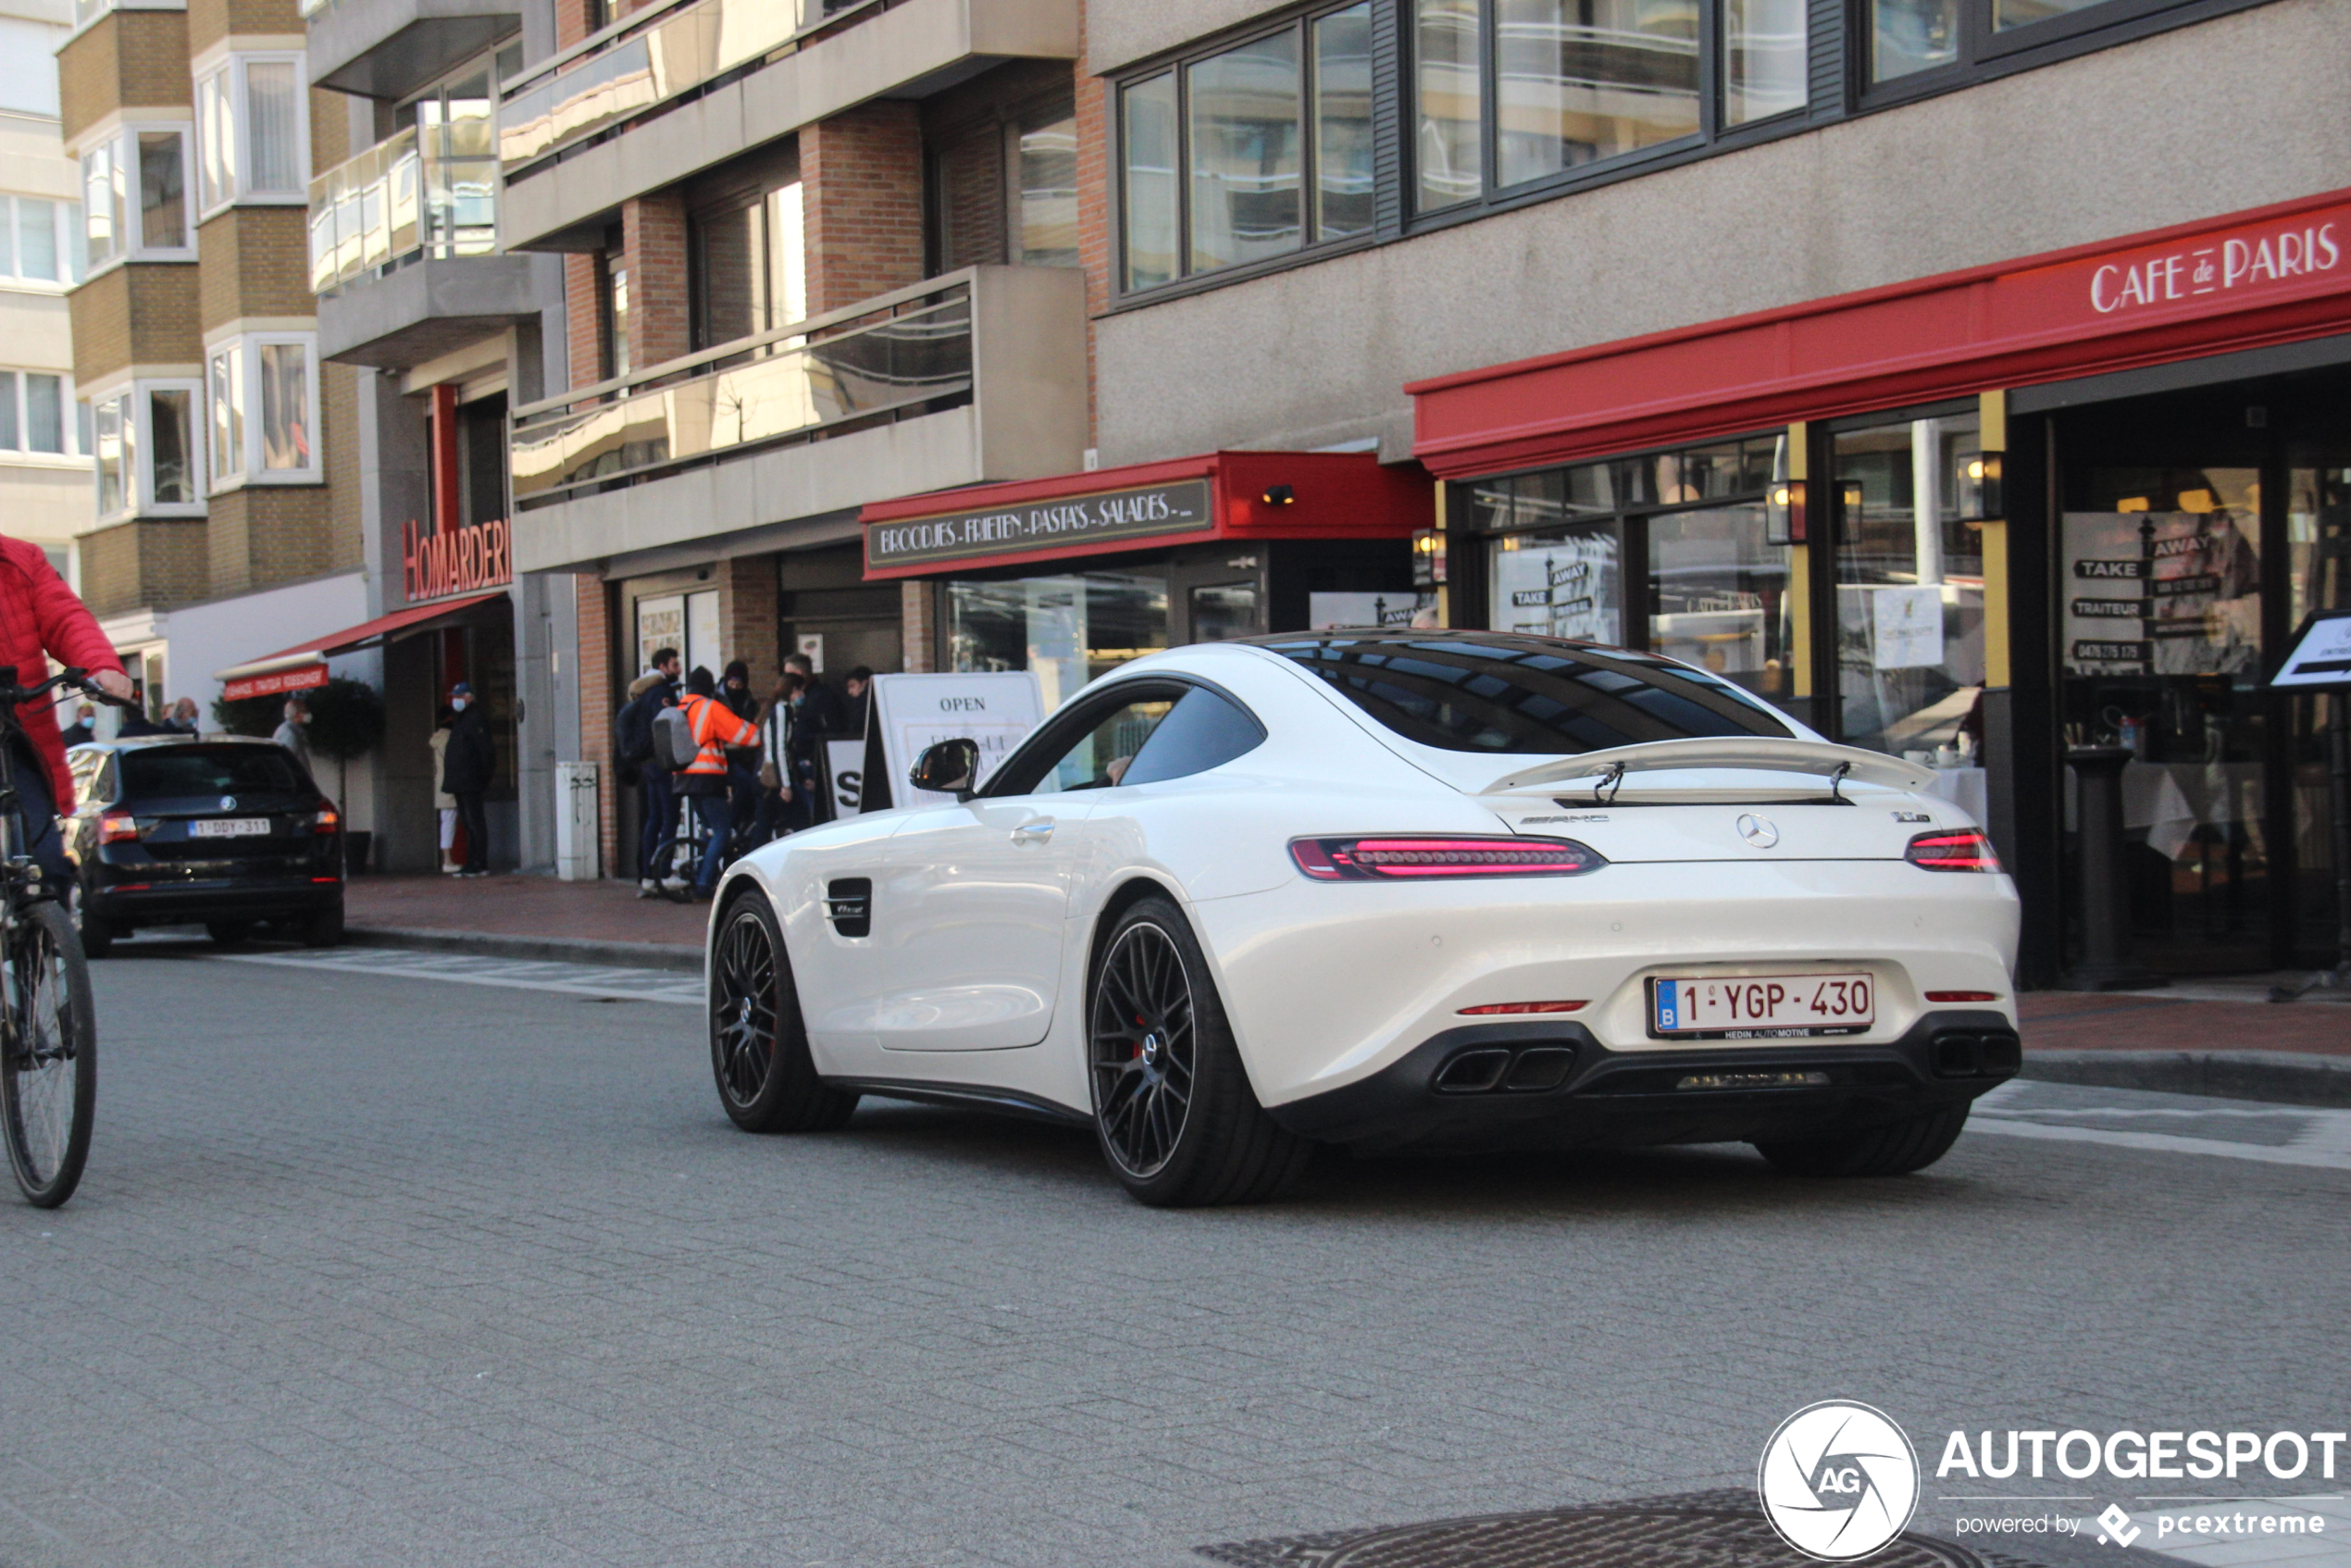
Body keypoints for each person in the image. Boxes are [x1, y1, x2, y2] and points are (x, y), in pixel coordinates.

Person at [0, 535, 134, 894]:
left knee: (47, 868)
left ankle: (47, 944)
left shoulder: (20, 561)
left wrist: (100, 668)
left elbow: (65, 618)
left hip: (15, 740)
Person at [674, 666, 758, 899]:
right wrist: (762, 733)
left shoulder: (680, 708)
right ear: (710, 687)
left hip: (684, 779)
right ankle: (703, 884)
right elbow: (743, 734)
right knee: (722, 832)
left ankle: (701, 871)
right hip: (708, 777)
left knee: (710, 829)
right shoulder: (709, 708)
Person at [614, 649, 680, 895]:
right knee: (669, 817)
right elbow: (666, 726)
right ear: (663, 666)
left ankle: (647, 875)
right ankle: (663, 873)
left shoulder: (645, 692)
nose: (678, 668)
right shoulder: (661, 693)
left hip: (648, 765)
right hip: (661, 765)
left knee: (654, 819)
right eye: (675, 664)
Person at [441, 681, 496, 877]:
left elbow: (486, 751)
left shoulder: (475, 718)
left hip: (470, 781)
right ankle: (472, 861)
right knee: (468, 823)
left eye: (460, 696)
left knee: (474, 822)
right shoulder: (462, 719)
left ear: (469, 697)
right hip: (460, 782)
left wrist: (483, 778)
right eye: (455, 697)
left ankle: (479, 862)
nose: (456, 700)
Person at [782, 652, 844, 826]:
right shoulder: (799, 700)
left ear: (799, 674)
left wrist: (813, 759)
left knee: (814, 816)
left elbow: (830, 731)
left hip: (812, 764)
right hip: (799, 764)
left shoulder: (820, 697)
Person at [719, 659, 762, 836]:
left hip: (746, 757)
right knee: (746, 785)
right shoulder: (718, 701)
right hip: (725, 757)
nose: (735, 687)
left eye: (739, 683)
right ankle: (733, 827)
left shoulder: (749, 702)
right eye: (732, 683)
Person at [427, 715, 458, 874]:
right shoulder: (450, 739)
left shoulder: (437, 738)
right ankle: (448, 860)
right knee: (450, 821)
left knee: (446, 820)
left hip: (442, 783)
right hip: (452, 783)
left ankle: (448, 859)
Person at [273, 696, 312, 773]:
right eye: (305, 711)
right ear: (297, 715)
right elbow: (286, 765)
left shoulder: (290, 731)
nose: (308, 714)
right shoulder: (289, 735)